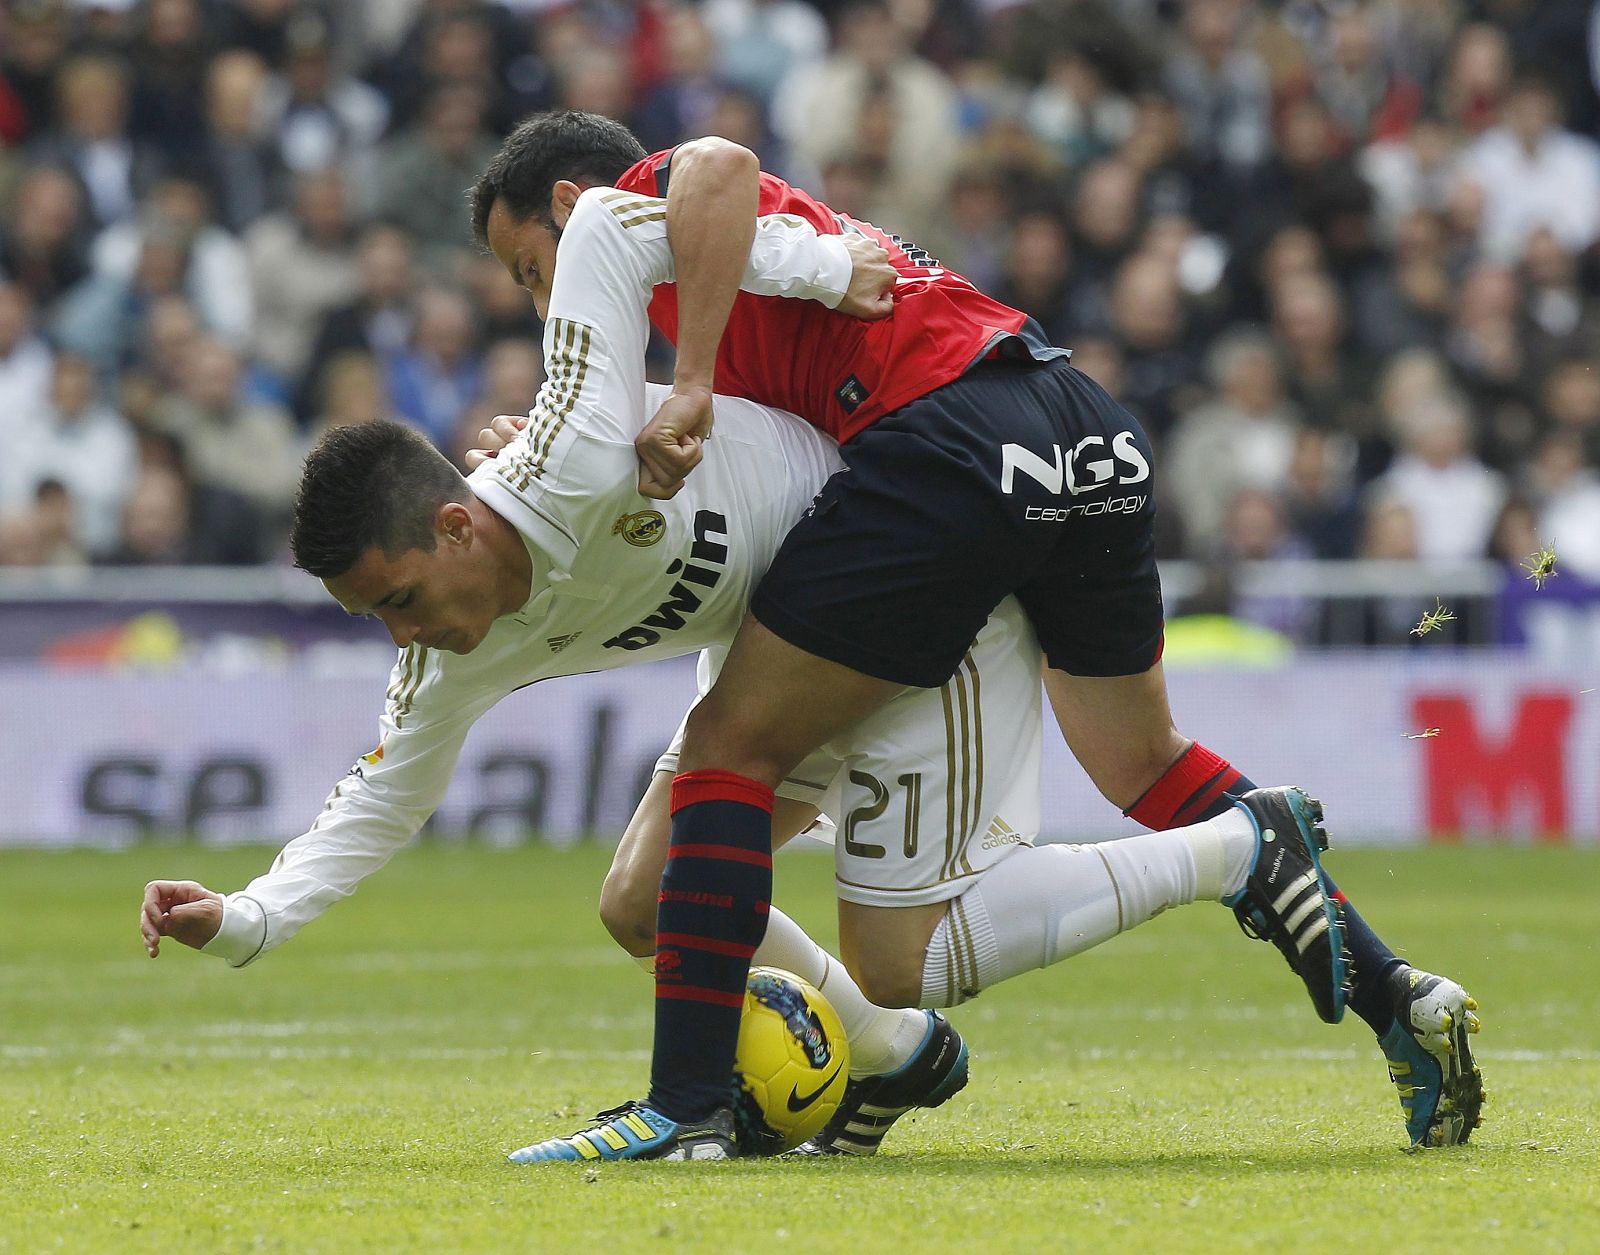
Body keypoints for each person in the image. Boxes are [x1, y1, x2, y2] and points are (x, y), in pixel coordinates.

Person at [137, 188, 1473, 1168]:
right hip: (888, 560)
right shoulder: (454, 639)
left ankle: (699, 1102)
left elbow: (649, 208)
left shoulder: (583, 444)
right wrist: (243, 917)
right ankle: (900, 1057)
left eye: (402, 602)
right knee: (645, 896)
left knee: (860, 896)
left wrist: (779, 302)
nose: (404, 639)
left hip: (927, 553)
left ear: (454, 525)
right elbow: (377, 805)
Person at [468, 112, 1483, 1159]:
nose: (544, 304)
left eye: (528, 270)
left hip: (945, 443)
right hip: (1072, 416)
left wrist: (681, 383)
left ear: (569, 208)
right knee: (1139, 763)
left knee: (751, 780)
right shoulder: (752, 283)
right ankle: (1393, 989)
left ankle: (690, 1107)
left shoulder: (657, 212)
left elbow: (715, 166)